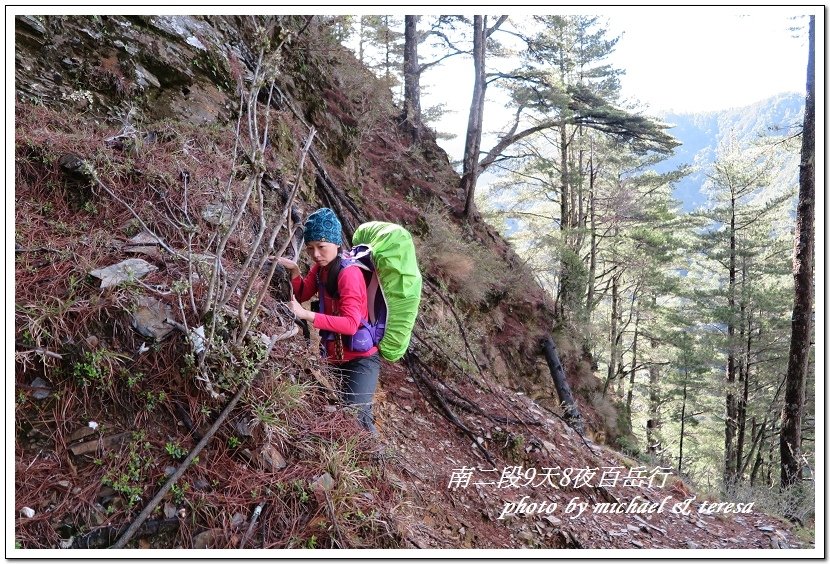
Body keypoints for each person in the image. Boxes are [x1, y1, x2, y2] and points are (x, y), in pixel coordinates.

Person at [277, 208, 381, 436]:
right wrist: (295, 271)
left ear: (335, 243)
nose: (315, 254)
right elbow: (303, 294)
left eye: (321, 246)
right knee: (344, 416)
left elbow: (351, 324)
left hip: (360, 361)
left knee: (358, 420)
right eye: (310, 248)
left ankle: (377, 462)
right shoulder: (320, 269)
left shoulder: (349, 274)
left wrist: (307, 315)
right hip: (334, 359)